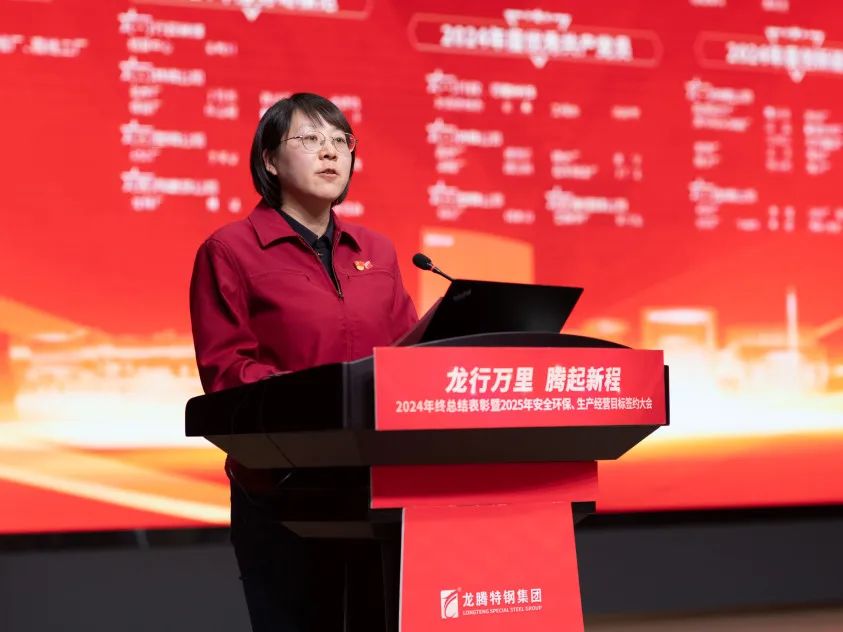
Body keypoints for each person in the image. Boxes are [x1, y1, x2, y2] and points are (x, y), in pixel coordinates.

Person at [189, 93, 418, 631]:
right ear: (270, 160)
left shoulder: (377, 251)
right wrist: (323, 396)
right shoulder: (230, 250)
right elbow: (227, 373)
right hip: (284, 491)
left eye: (340, 140)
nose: (331, 152)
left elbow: (410, 356)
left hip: (377, 486)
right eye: (311, 139)